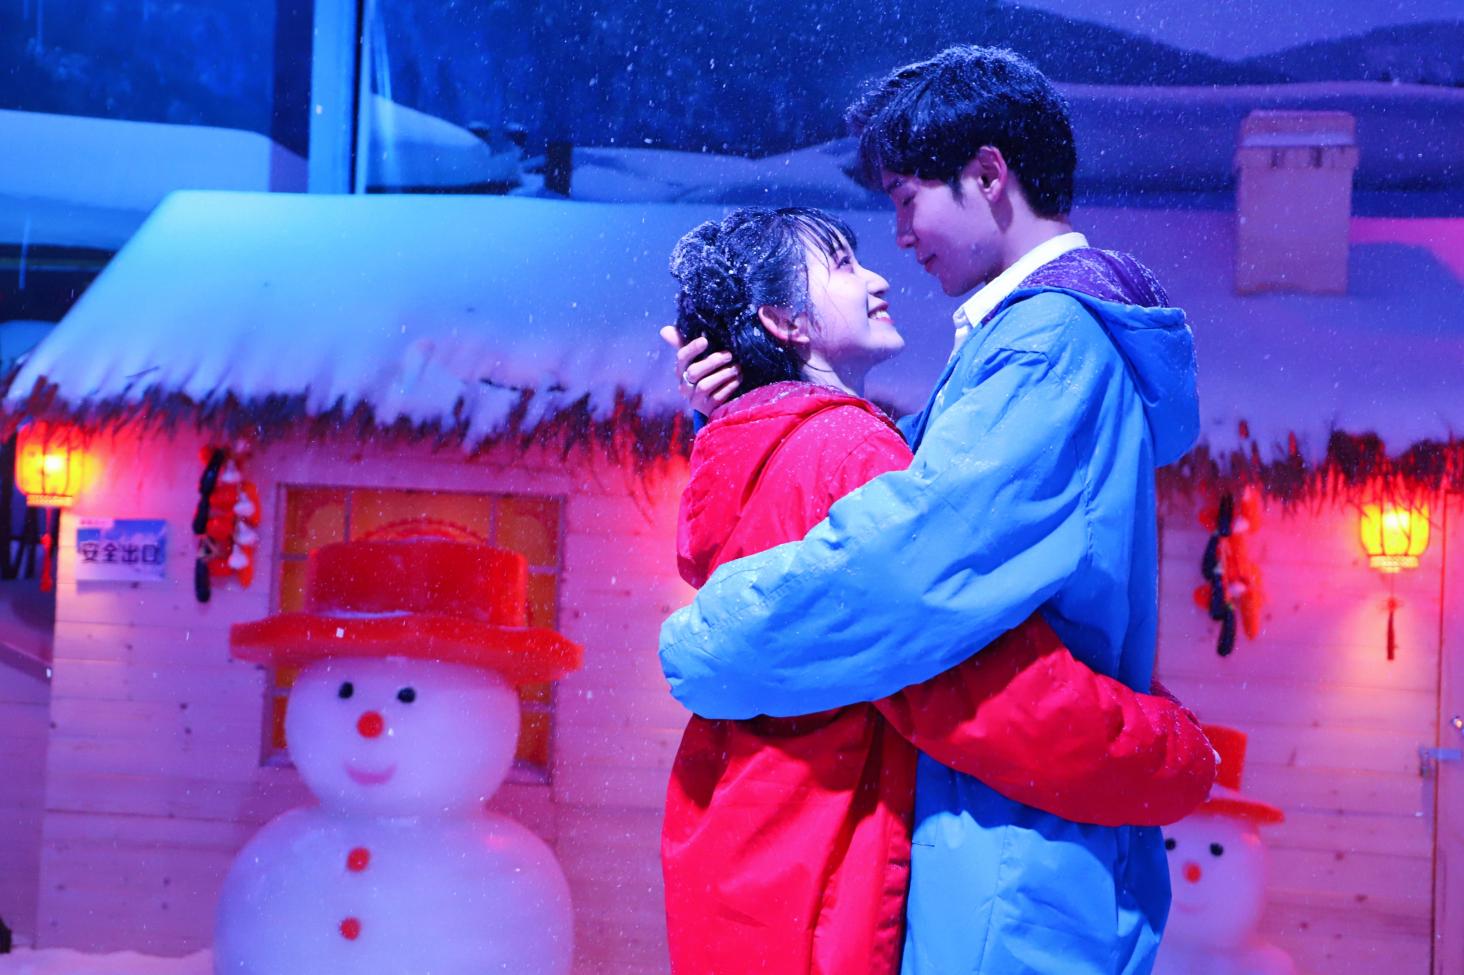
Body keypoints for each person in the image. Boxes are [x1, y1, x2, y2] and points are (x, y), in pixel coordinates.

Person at [659, 47, 1201, 975]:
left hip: (1006, 851)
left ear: (988, 175)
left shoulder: (1044, 344)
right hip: (1007, 827)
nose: (900, 238)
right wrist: (754, 402)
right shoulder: (1023, 345)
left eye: (908, 199)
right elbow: (905, 503)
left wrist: (707, 638)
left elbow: (907, 572)